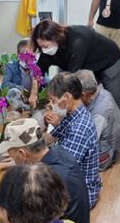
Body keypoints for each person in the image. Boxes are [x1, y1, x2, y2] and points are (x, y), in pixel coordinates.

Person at [31, 19, 120, 149]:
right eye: (41, 47)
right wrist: (34, 94)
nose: (44, 50)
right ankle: (83, 127)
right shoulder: (48, 50)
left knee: (116, 97)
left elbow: (71, 83)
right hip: (86, 63)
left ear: (56, 38)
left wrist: (58, 106)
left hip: (109, 60)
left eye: (46, 46)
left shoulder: (77, 42)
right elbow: (37, 72)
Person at [43, 73, 102, 208]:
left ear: (67, 97)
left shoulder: (80, 127)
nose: (52, 105)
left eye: (53, 100)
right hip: (71, 181)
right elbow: (50, 137)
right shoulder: (72, 115)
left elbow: (63, 170)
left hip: (81, 195)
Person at [75, 70, 120, 171]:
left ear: (83, 94)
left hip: (104, 155)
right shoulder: (103, 91)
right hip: (114, 145)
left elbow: (85, 143)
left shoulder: (99, 114)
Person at [1, 39, 38, 111]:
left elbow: (46, 82)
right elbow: (5, 85)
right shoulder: (11, 66)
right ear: (18, 54)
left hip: (33, 103)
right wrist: (22, 90)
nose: (28, 58)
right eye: (25, 54)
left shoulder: (37, 67)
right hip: (17, 103)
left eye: (31, 54)